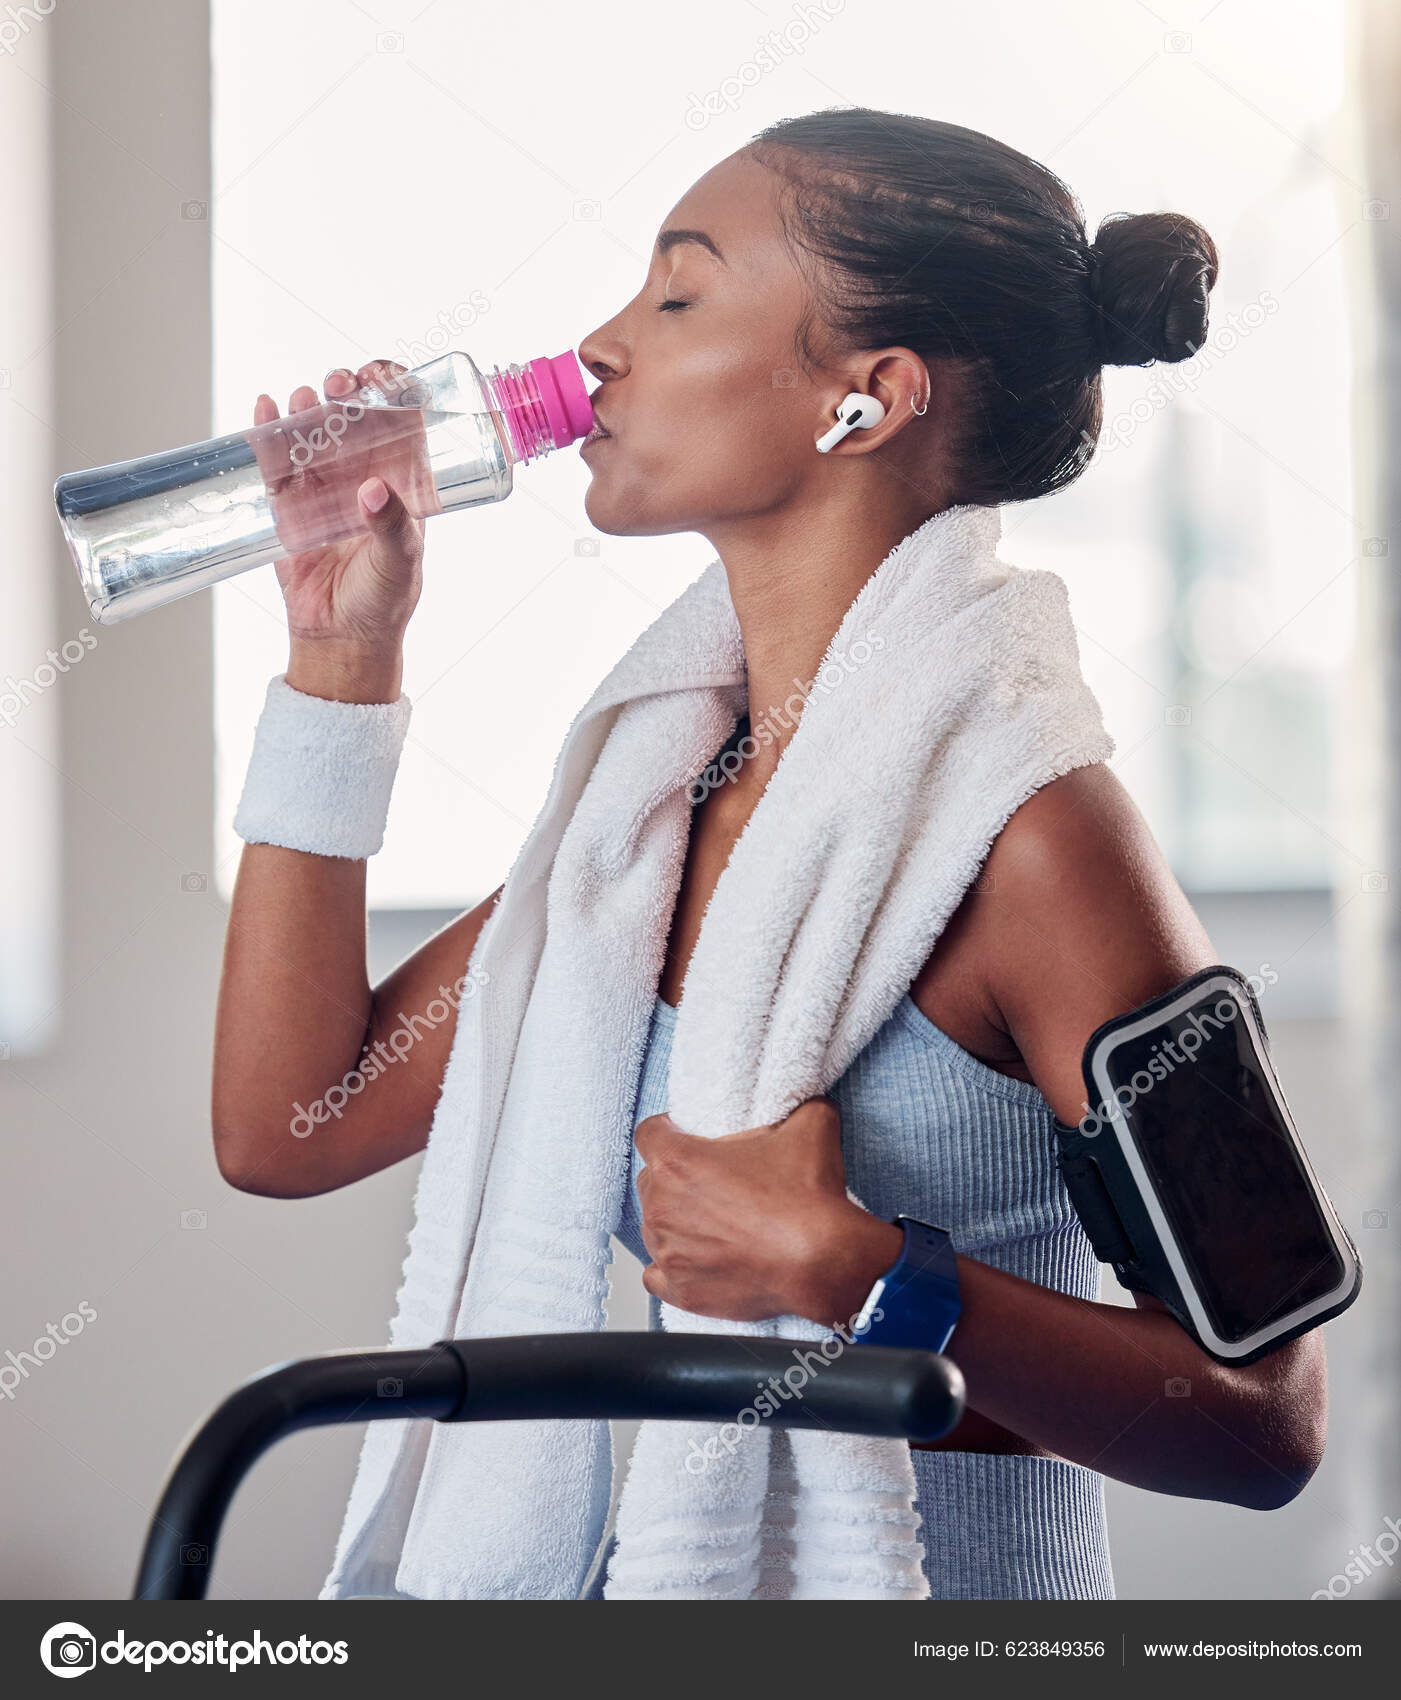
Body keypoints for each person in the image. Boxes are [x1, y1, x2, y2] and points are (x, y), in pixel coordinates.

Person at [212, 109, 1327, 1600]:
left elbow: (1263, 1425)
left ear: (862, 404)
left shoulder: (1042, 843)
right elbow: (289, 1126)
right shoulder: (644, 821)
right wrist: (339, 660)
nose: (602, 345)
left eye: (675, 295)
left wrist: (851, 1268)